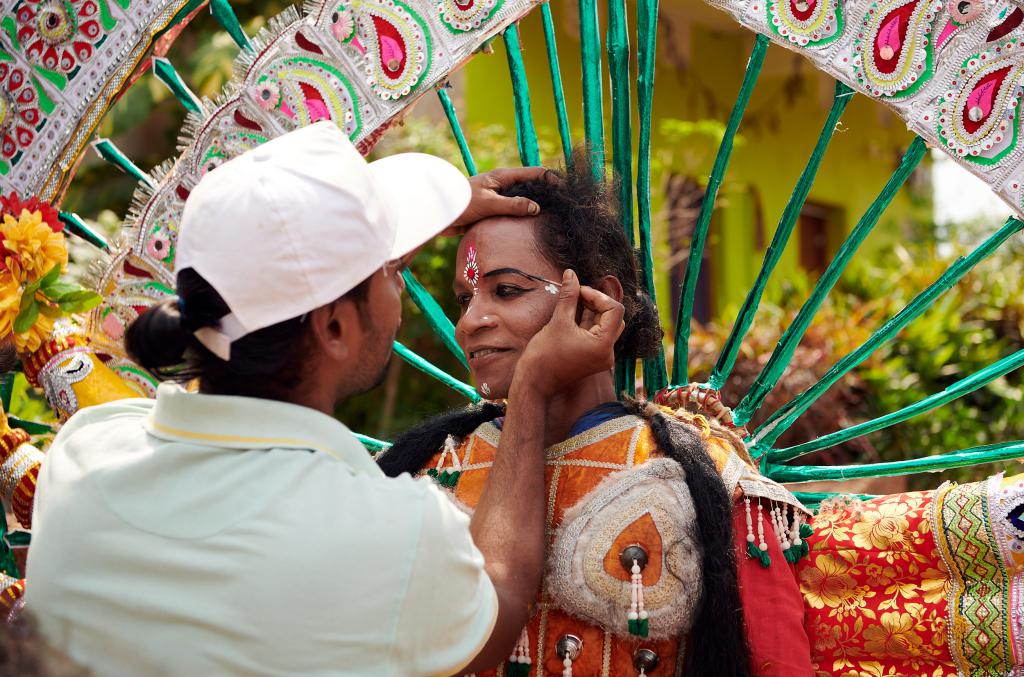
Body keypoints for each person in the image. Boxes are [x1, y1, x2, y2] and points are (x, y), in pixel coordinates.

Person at [24, 121, 625, 676]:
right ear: (335, 328)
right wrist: (531, 394)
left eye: (508, 289)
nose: (470, 321)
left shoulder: (85, 454)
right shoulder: (383, 534)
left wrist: (378, 236)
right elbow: (498, 594)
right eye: (392, 273)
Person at [378, 156, 815, 677]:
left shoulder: (706, 477)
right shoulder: (419, 468)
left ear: (597, 301)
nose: (471, 321)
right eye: (464, 298)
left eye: (507, 290)